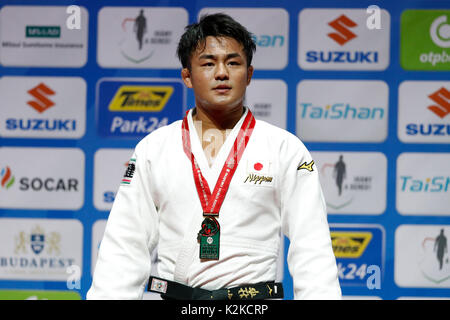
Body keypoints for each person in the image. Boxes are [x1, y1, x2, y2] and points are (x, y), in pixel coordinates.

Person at [87, 13, 341, 300]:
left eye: (233, 63)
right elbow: (124, 245)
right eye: (208, 63)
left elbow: (312, 247)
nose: (222, 73)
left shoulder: (284, 148)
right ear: (187, 76)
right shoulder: (154, 149)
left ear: (250, 74)